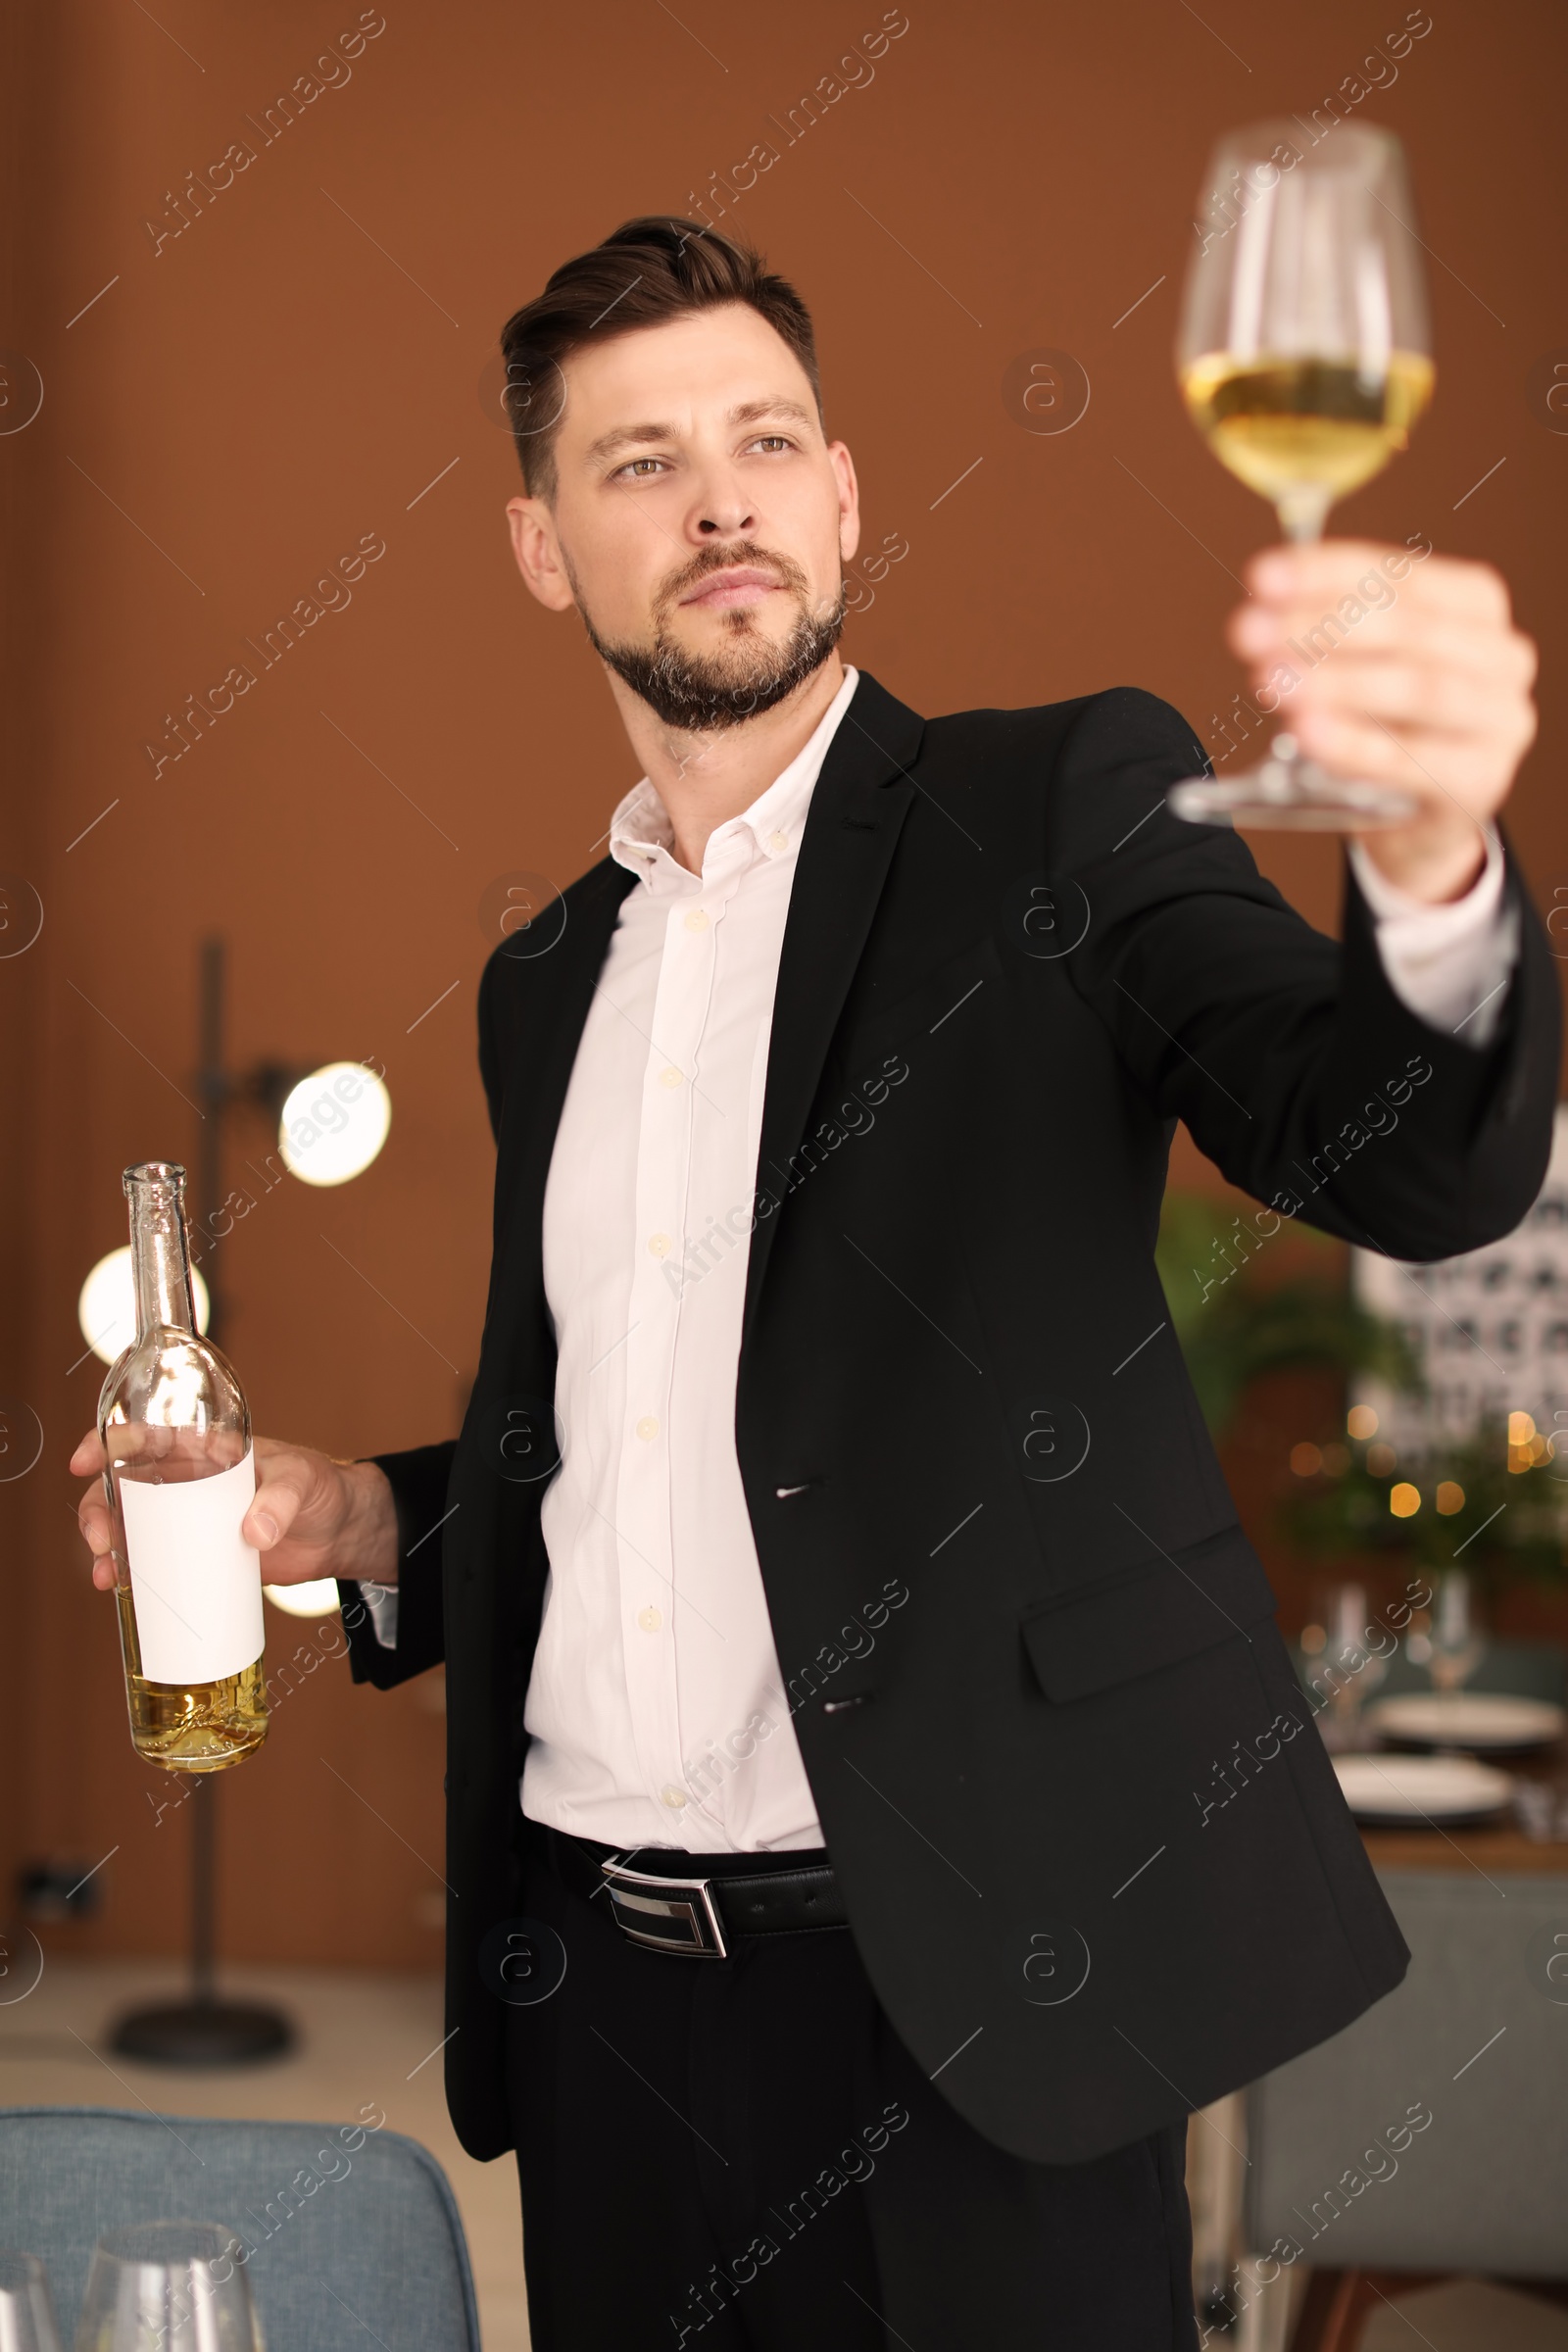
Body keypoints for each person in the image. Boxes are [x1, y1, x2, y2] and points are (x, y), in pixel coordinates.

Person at [74, 216, 1556, 2350]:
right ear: (536, 544)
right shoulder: (543, 979)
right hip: (595, 2012)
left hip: (971, 2001)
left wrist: (1426, 874)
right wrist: (369, 1518)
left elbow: (1395, 1152)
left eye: (764, 440)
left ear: (843, 495)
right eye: (640, 461)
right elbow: (626, 1448)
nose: (720, 501)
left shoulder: (1052, 807)